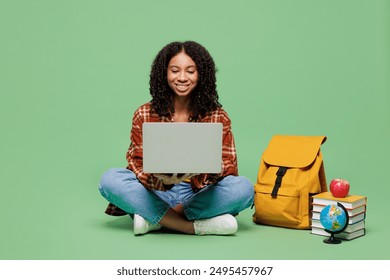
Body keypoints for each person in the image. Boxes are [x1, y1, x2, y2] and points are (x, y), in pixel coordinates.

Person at [98, 41, 254, 236]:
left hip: (197, 194)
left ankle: (157, 219)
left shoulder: (217, 116)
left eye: (190, 71)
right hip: (157, 192)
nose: (182, 78)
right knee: (110, 179)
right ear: (164, 74)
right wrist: (162, 179)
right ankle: (191, 227)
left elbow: (229, 166)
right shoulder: (144, 113)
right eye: (174, 70)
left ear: (201, 75)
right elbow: (136, 164)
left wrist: (196, 173)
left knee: (244, 189)